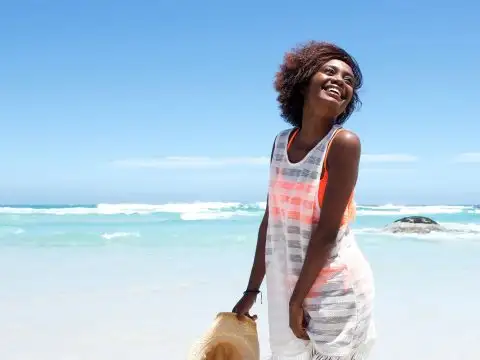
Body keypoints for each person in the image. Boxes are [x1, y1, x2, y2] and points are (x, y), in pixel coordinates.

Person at [232, 41, 376, 359]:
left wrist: (297, 301)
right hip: (289, 285)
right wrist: (252, 290)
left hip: (334, 290)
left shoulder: (343, 144)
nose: (340, 80)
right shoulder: (281, 142)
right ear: (303, 80)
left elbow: (326, 233)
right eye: (330, 71)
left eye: (349, 81)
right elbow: (272, 219)